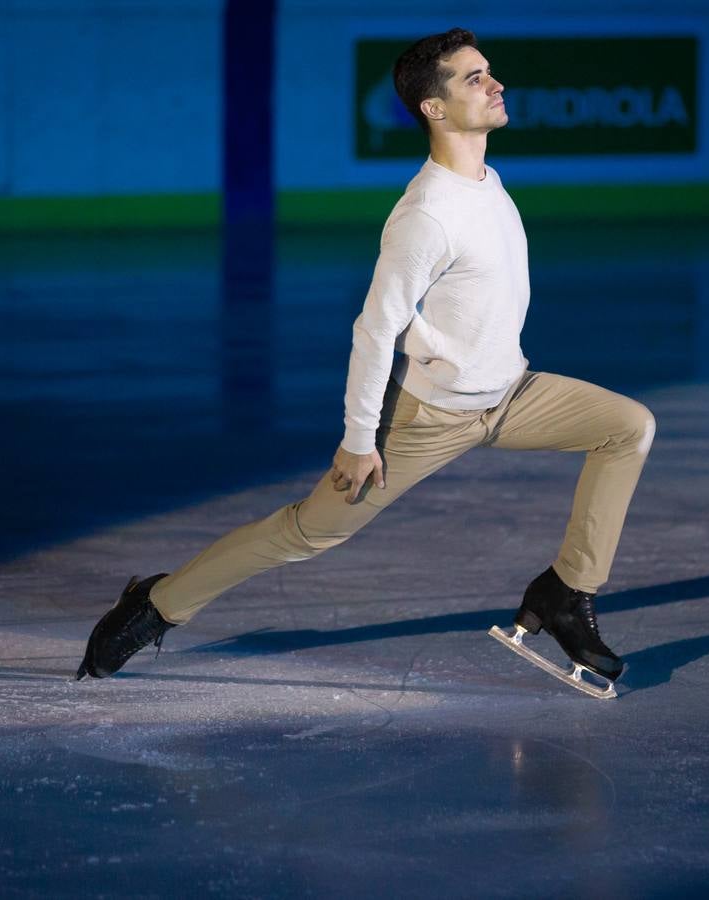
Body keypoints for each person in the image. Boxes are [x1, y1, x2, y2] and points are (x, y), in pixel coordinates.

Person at [75, 28, 655, 695]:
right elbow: (375, 328)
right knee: (308, 532)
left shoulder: (487, 184)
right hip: (429, 417)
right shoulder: (426, 215)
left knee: (626, 426)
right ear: (432, 108)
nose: (495, 85)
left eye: (488, 72)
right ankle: (155, 605)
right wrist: (358, 439)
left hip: (512, 394)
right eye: (473, 79)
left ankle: (564, 594)